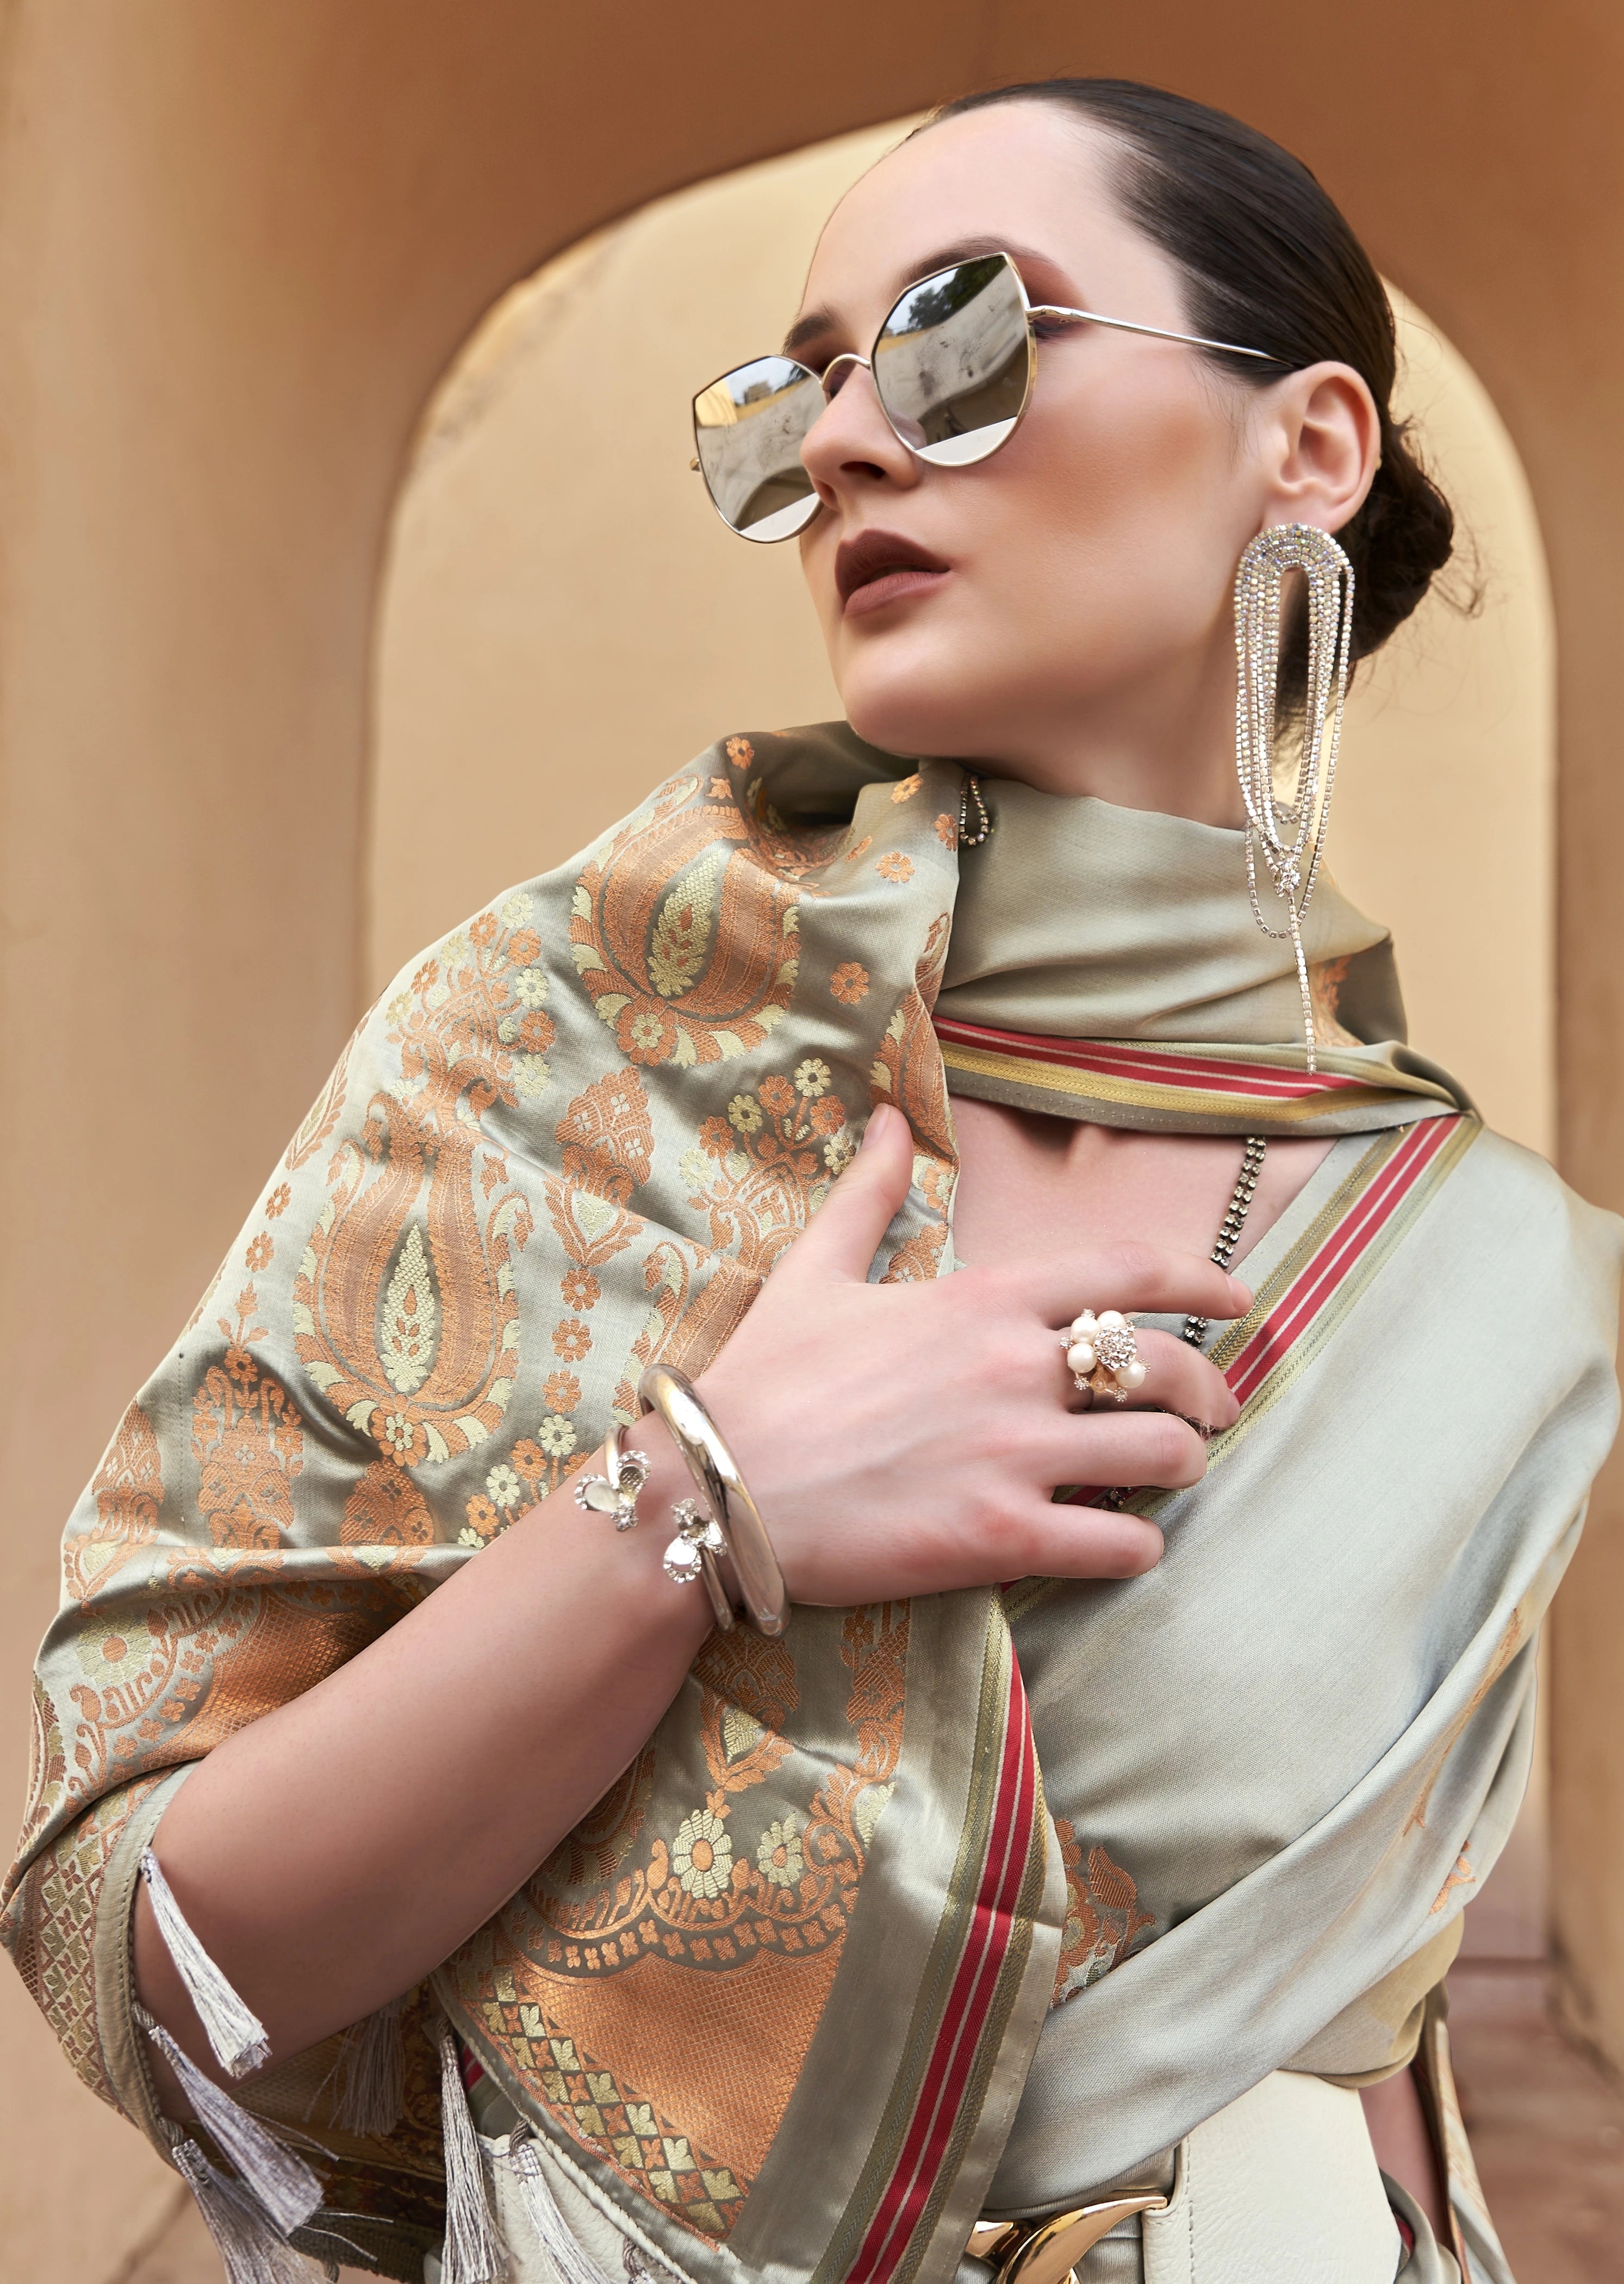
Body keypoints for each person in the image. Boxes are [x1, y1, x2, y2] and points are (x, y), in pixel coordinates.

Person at [5, 77, 1619, 2284]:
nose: (849, 446)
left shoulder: (1502, 1261)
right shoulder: (557, 1059)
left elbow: (1379, 2074)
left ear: (1306, 446)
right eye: (796, 395)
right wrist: (696, 1501)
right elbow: (164, 1946)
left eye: (970, 340)